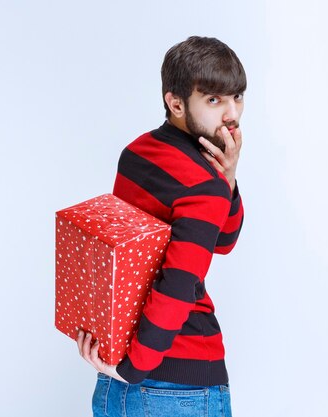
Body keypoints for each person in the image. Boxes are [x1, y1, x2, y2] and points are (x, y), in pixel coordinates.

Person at [77, 35, 246, 417]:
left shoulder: (136, 154)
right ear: (176, 103)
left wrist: (228, 179)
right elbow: (179, 282)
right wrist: (134, 368)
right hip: (176, 383)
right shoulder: (203, 184)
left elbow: (220, 239)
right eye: (214, 99)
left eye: (237, 96)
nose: (231, 114)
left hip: (114, 378)